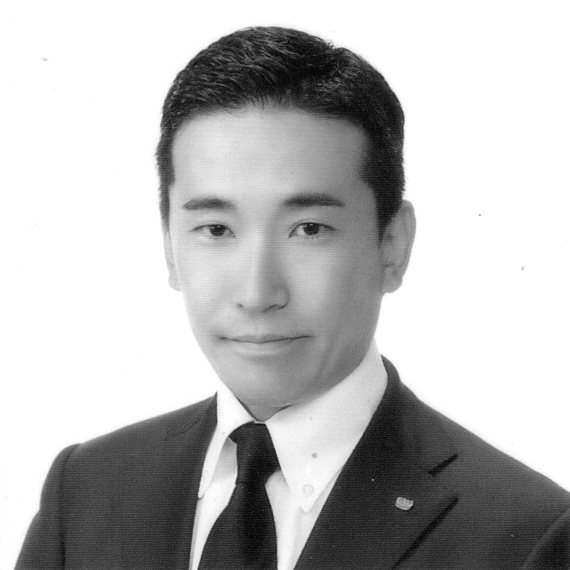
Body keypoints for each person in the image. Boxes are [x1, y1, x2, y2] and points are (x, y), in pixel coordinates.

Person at [17, 26, 570, 570]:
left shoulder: (527, 537)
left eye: (308, 229)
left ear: (393, 245)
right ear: (168, 247)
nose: (257, 294)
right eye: (216, 229)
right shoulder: (85, 490)